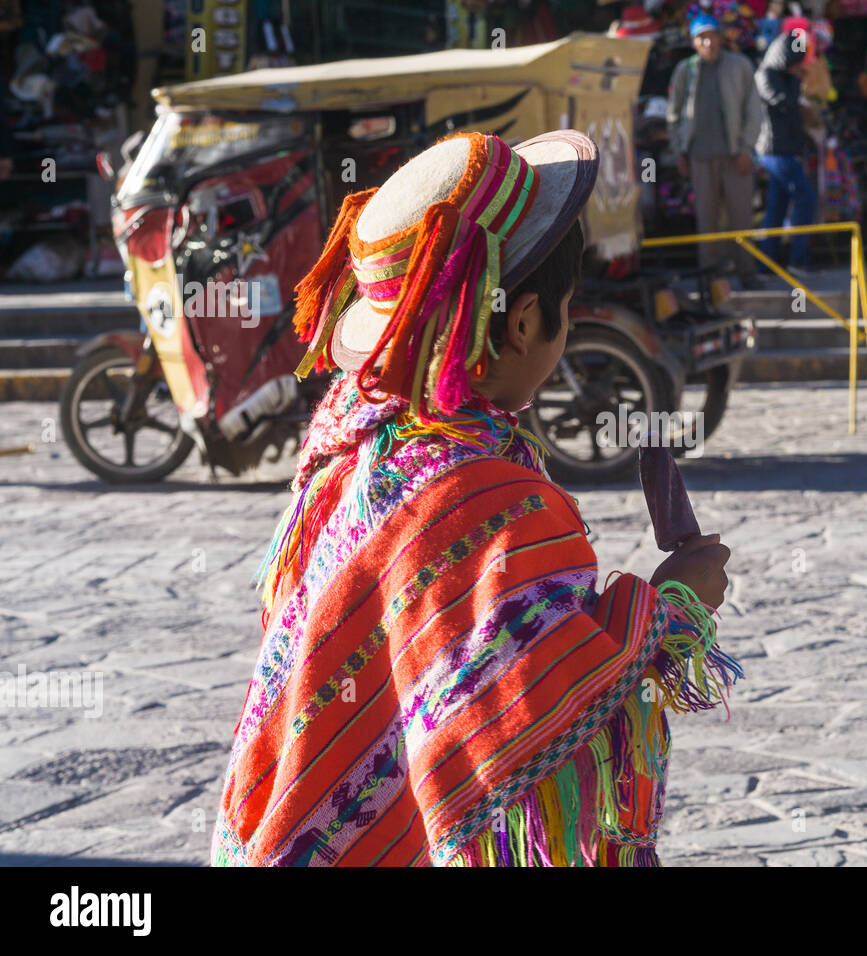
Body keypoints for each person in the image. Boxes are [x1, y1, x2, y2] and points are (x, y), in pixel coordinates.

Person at [210, 130, 741, 867]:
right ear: (525, 322)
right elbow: (543, 731)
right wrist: (677, 605)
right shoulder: (487, 503)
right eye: (566, 306)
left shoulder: (354, 439)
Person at [667, 14, 763, 289]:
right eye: (701, 37)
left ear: (721, 38)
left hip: (735, 156)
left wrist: (747, 148)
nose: (708, 42)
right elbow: (674, 115)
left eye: (712, 36)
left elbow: (753, 110)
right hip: (699, 156)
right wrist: (679, 152)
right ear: (694, 42)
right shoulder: (685, 70)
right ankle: (711, 280)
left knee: (741, 216)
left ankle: (747, 273)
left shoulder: (740, 66)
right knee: (707, 221)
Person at [755, 28, 817, 278]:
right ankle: (798, 259)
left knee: (777, 208)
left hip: (785, 150)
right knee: (805, 197)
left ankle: (766, 264)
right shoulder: (766, 74)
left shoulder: (785, 76)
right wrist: (795, 79)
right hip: (773, 150)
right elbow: (783, 103)